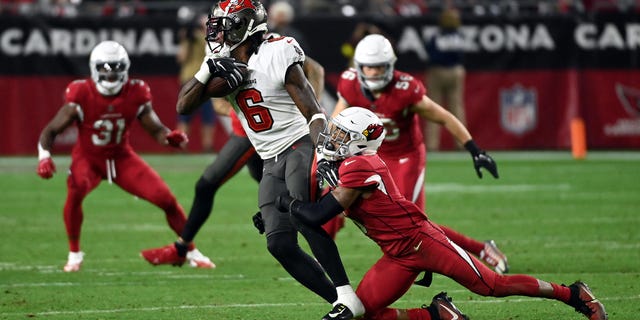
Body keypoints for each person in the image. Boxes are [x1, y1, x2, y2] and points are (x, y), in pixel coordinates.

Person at [277, 107, 608, 320]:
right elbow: (320, 204)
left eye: (342, 136)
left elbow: (318, 214)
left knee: (491, 285)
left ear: (360, 143)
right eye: (335, 132)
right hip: (396, 254)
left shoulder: (361, 164)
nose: (333, 139)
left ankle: (574, 294)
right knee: (365, 313)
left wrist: (285, 206)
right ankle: (437, 315)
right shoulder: (347, 163)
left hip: (422, 243)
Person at [142, 1, 363, 317]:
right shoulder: (221, 59)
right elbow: (183, 105)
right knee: (279, 244)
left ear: (245, 25)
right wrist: (208, 67)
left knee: (303, 215)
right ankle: (342, 304)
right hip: (270, 157)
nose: (217, 31)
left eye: (225, 24)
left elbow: (312, 109)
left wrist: (325, 151)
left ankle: (345, 293)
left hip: (299, 143)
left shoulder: (279, 50)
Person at [140, 52, 342, 268]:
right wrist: (246, 110)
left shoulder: (273, 47)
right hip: (250, 132)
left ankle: (182, 247)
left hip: (271, 134)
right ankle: (326, 211)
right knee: (265, 185)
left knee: (209, 184)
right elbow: (217, 104)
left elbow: (317, 70)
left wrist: (309, 107)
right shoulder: (220, 55)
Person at [332, 33, 508, 274]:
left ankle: (480, 249)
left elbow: (444, 117)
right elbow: (336, 124)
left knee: (414, 225)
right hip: (373, 158)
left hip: (407, 157)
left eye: (379, 67)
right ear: (359, 67)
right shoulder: (350, 84)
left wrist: (474, 149)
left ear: (390, 66)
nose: (373, 73)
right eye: (368, 68)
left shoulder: (406, 89)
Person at [36, 40, 214, 272]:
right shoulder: (81, 92)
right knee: (75, 194)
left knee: (166, 200)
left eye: (116, 68)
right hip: (88, 159)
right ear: (94, 68)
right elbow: (50, 131)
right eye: (105, 68)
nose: (110, 75)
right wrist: (44, 157)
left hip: (122, 158)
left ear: (125, 68)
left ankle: (190, 250)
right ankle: (74, 254)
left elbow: (156, 130)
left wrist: (169, 137)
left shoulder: (136, 91)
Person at [424, 8, 467, 151]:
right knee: (457, 109)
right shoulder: (459, 36)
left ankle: (432, 145)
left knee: (432, 109)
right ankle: (462, 143)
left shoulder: (436, 36)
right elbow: (462, 55)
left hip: (437, 71)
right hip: (455, 70)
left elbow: (430, 53)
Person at [176, 12, 217, 153]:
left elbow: (181, 58)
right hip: (204, 77)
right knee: (207, 116)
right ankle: (208, 145)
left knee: (185, 114)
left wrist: (184, 41)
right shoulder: (206, 39)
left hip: (188, 78)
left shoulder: (189, 39)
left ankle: (181, 145)